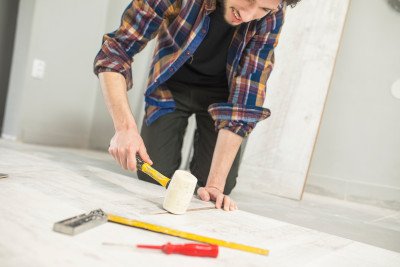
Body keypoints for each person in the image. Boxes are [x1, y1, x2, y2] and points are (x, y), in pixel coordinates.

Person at [94, 0, 301, 211]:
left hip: (222, 96)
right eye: (249, 0)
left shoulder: (273, 11)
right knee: (153, 177)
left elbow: (247, 94)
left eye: (263, 9)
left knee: (219, 188)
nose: (248, 16)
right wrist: (124, 128)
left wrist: (214, 185)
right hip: (170, 86)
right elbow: (116, 51)